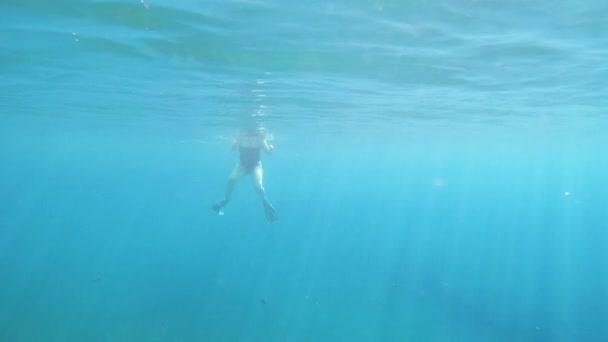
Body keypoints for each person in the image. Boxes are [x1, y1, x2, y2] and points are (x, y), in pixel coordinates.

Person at [212, 127, 278, 223]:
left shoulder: (260, 139)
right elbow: (233, 148)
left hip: (256, 166)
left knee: (259, 186)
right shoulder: (242, 137)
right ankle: (226, 200)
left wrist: (271, 148)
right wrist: (237, 141)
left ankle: (264, 201)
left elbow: (268, 152)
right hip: (242, 165)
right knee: (231, 179)